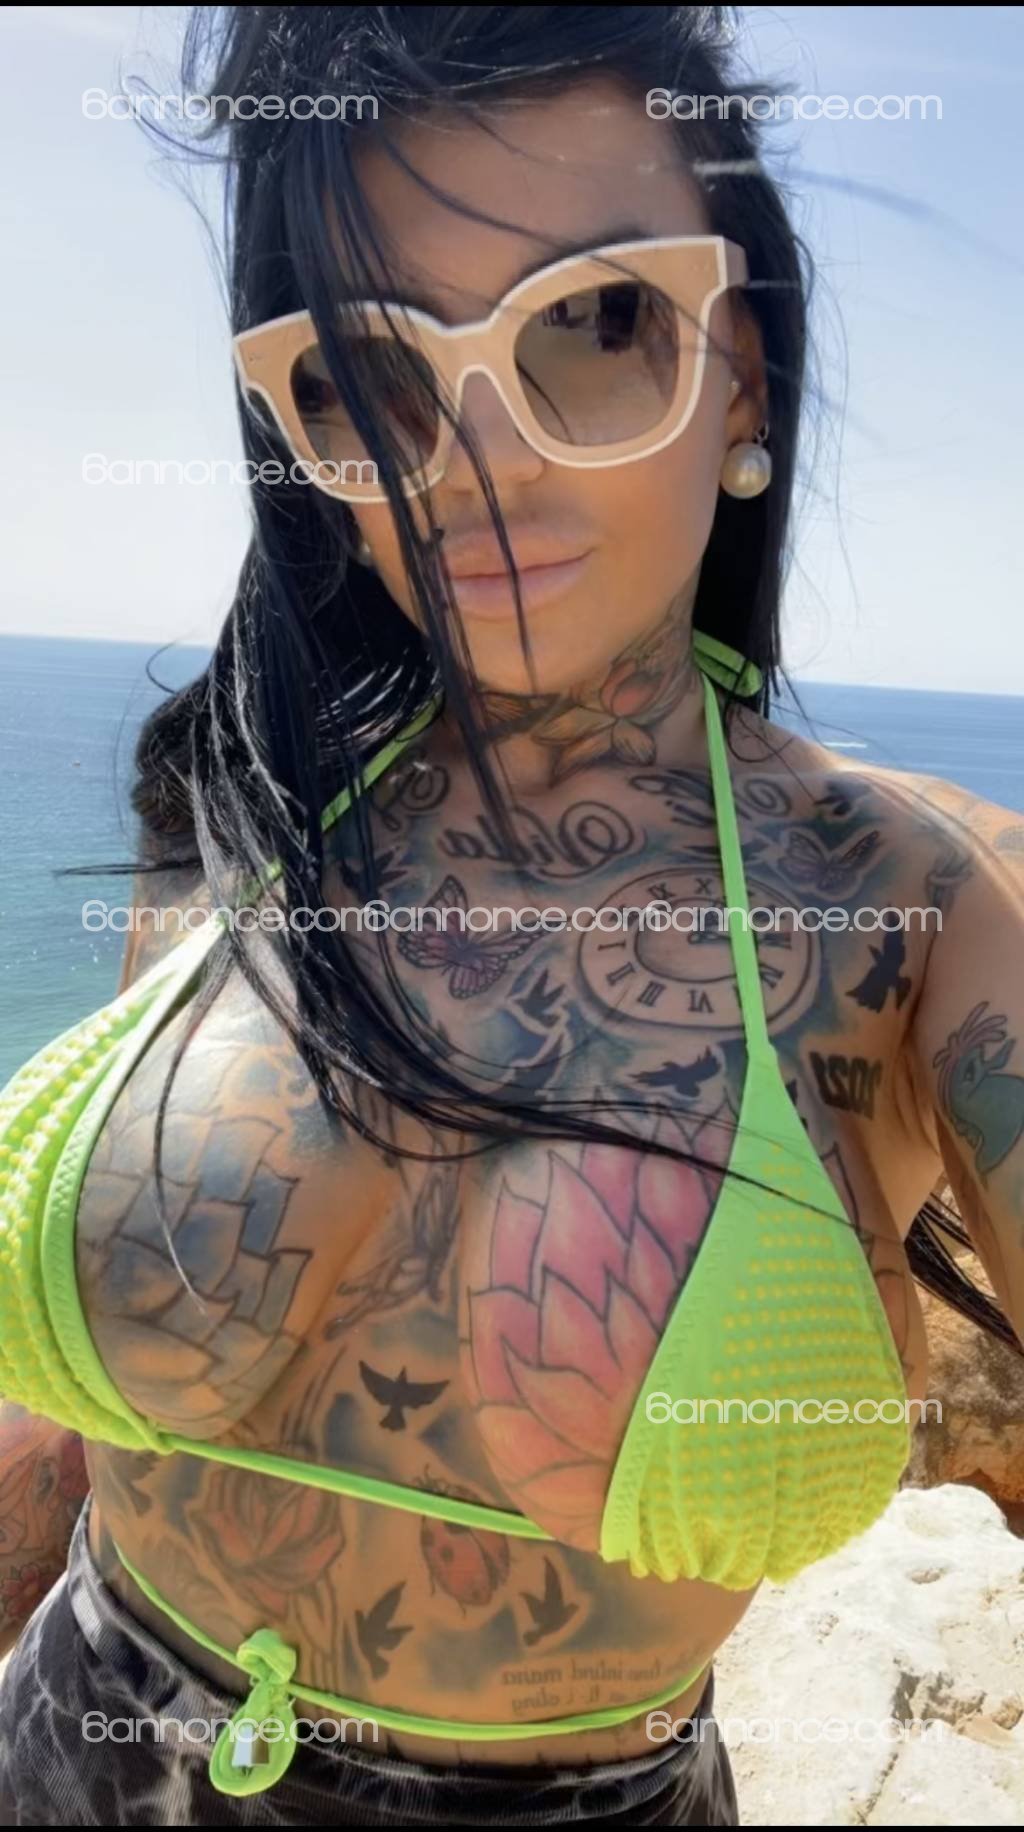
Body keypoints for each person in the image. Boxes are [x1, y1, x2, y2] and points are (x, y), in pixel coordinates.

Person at [1, 6, 1022, 1825]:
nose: (474, 460)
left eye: (596, 321)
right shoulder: (249, 813)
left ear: (746, 378)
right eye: (366, 369)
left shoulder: (921, 906)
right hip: (71, 1739)